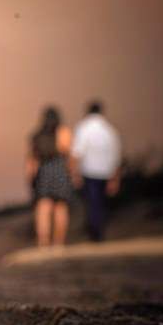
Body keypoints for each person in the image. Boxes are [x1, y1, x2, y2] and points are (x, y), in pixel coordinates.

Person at [71, 100, 122, 241]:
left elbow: (77, 153)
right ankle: (99, 232)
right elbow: (116, 156)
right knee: (101, 202)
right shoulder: (110, 130)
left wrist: (74, 174)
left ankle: (95, 233)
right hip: (107, 171)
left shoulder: (83, 128)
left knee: (92, 203)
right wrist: (115, 179)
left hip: (89, 172)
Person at [26, 106, 73, 247]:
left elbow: (31, 159)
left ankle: (43, 241)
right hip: (60, 170)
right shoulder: (63, 132)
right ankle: (58, 242)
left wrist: (30, 178)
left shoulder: (36, 135)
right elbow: (68, 152)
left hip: (43, 171)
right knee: (60, 207)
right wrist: (73, 173)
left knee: (43, 208)